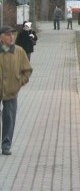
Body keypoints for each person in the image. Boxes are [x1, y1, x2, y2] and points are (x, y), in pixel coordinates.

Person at [0, 26, 33, 156]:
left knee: (9, 119)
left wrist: (19, 82)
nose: (11, 37)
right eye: (8, 35)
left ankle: (6, 145)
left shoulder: (19, 51)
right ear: (1, 37)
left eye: (13, 35)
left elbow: (28, 70)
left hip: (11, 91)